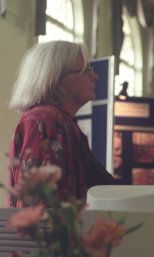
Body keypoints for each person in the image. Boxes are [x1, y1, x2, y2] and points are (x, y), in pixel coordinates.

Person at [8, 41, 114, 207]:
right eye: (86, 71)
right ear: (59, 81)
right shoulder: (43, 120)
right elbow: (38, 205)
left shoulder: (62, 122)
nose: (95, 77)